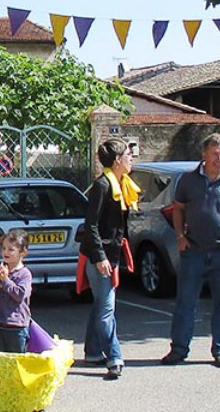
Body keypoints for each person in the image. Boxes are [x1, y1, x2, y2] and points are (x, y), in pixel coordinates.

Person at [162, 133, 220, 369]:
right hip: (194, 251)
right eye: (215, 154)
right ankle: (179, 349)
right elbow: (178, 208)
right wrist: (180, 237)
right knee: (185, 303)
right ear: (204, 155)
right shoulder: (188, 179)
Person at [79, 138, 137, 380]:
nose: (132, 158)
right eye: (128, 155)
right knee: (106, 309)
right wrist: (100, 257)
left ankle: (93, 352)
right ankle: (114, 357)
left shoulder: (121, 184)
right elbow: (91, 225)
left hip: (110, 254)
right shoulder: (102, 186)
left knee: (100, 304)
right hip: (98, 257)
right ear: (117, 160)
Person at [0, 229, 32, 353]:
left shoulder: (24, 274)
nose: (5, 252)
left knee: (15, 358)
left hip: (17, 326)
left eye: (11, 249)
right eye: (4, 248)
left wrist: (5, 280)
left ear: (23, 252)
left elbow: (19, 294)